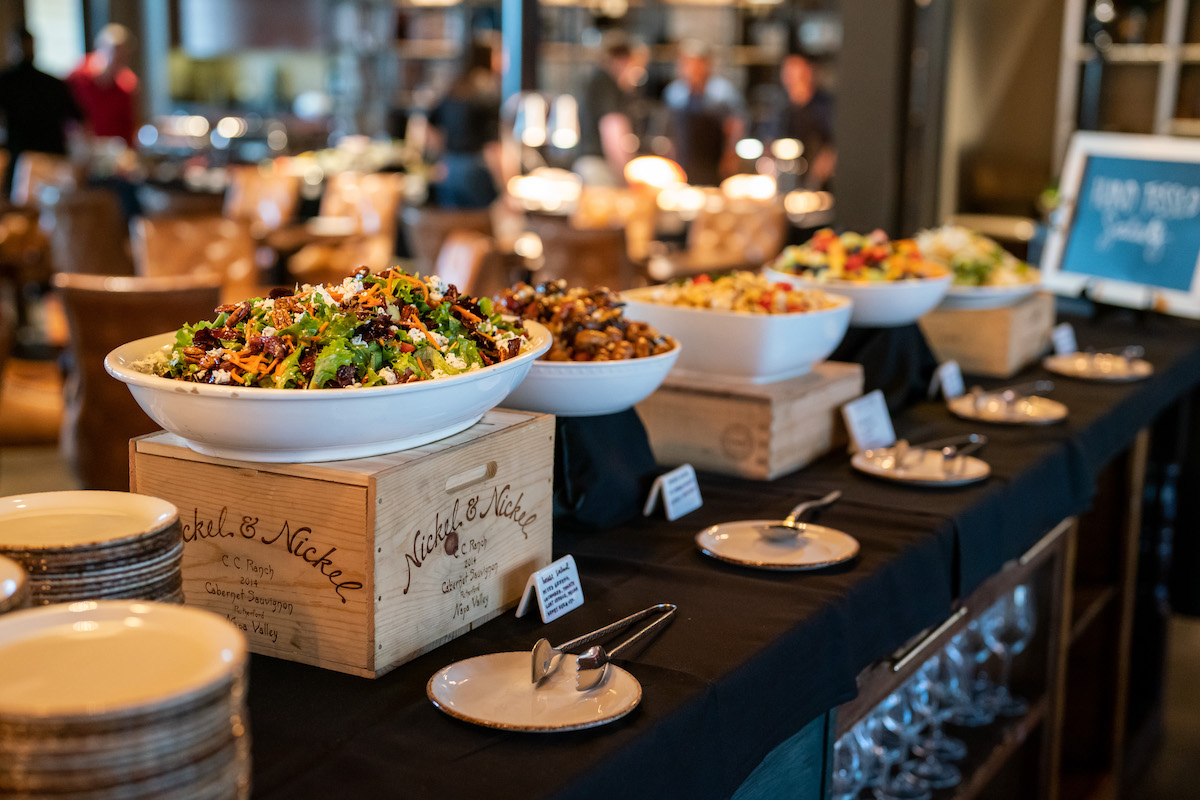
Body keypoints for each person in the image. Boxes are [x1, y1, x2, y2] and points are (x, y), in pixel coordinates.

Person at [0, 29, 83, 195]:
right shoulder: (53, 83)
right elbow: (77, 119)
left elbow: (77, 119)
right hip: (49, 158)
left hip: (27, 161)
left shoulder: (5, 82)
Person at [426, 41, 503, 209]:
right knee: (479, 229)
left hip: (450, 168)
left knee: (455, 227)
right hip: (475, 170)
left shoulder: (454, 86)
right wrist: (506, 187)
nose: (503, 60)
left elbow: (428, 127)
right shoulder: (487, 89)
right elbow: (492, 147)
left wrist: (442, 157)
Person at [662, 40, 746, 186]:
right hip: (684, 162)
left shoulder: (723, 94)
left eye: (697, 63)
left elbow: (735, 127)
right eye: (687, 63)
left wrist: (730, 159)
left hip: (714, 164)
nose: (692, 68)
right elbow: (671, 132)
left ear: (707, 64)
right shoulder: (674, 94)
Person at [573, 33, 640, 187]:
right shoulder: (606, 82)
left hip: (589, 164)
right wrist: (626, 174)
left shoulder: (596, 80)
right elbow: (612, 127)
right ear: (623, 61)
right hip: (600, 167)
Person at [770, 52, 836, 189]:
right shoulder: (780, 107)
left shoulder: (825, 106)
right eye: (787, 71)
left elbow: (834, 143)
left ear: (809, 71)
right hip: (786, 179)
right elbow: (771, 139)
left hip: (820, 183)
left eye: (795, 70)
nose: (790, 76)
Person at [66, 24, 138, 147]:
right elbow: (66, 118)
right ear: (99, 50)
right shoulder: (77, 77)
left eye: (122, 57)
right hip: (82, 149)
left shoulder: (127, 84)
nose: (117, 60)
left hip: (113, 153)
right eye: (114, 53)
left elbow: (128, 127)